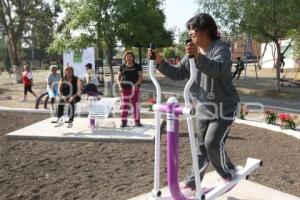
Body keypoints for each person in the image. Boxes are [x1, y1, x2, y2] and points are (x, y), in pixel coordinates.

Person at [148, 13, 240, 190]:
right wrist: (160, 62)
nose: (190, 34)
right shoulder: (193, 53)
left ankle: (228, 172)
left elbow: (217, 69)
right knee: (201, 148)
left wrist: (198, 56)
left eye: (193, 30)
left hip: (224, 107)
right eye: (189, 31)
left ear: (205, 30)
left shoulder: (221, 48)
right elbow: (177, 74)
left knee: (212, 143)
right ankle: (192, 182)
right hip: (203, 108)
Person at [117, 50, 143, 128]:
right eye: (127, 56)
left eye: (130, 56)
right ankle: (123, 121)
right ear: (125, 58)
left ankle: (137, 121)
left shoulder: (137, 66)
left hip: (135, 88)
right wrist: (119, 86)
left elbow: (141, 77)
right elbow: (118, 77)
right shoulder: (122, 66)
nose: (129, 58)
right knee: (125, 105)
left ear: (133, 58)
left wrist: (136, 85)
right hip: (124, 89)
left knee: (135, 105)